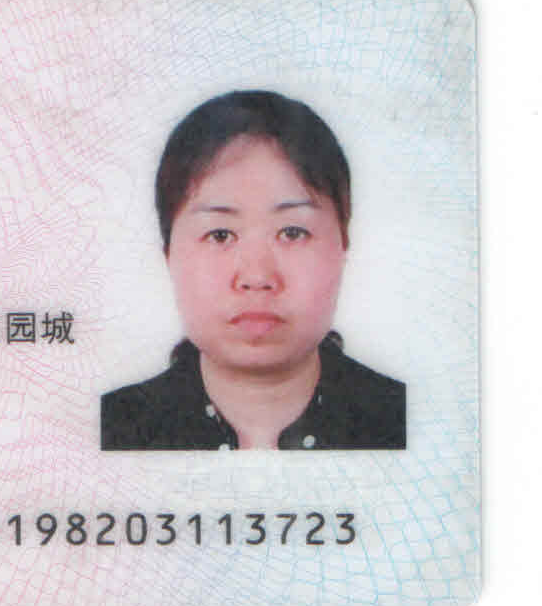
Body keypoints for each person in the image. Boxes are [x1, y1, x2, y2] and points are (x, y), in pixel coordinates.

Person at [100, 89, 407, 450]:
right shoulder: (113, 429)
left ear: (343, 247)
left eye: (292, 232)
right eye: (220, 235)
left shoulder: (403, 421)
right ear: (169, 254)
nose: (257, 277)